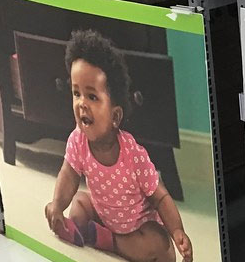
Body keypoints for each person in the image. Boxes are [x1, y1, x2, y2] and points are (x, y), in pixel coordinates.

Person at [44, 30, 193, 262]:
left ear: (115, 116)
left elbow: (160, 198)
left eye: (92, 97)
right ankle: (86, 230)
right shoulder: (78, 140)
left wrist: (176, 231)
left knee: (158, 247)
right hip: (105, 214)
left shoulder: (133, 155)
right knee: (79, 205)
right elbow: (69, 175)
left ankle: (105, 239)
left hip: (140, 225)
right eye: (76, 93)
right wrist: (57, 205)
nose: (81, 103)